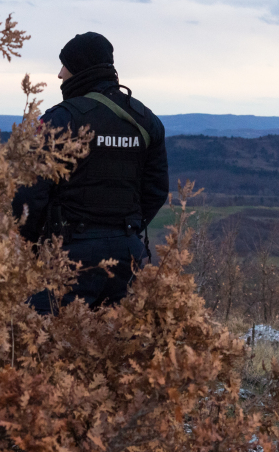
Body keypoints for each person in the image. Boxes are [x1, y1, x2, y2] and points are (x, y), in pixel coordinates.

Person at [13, 32, 169, 314]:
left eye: (65, 65)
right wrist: (125, 229)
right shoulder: (146, 121)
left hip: (69, 255)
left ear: (81, 68)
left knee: (35, 331)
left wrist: (31, 245)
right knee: (117, 338)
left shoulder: (60, 119)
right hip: (128, 257)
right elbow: (156, 191)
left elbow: (29, 192)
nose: (60, 74)